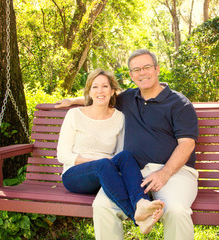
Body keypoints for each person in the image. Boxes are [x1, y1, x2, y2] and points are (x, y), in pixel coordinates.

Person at [56, 49, 199, 240]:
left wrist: (165, 173)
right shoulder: (128, 98)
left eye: (147, 67)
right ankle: (140, 212)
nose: (142, 73)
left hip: (174, 172)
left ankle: (141, 212)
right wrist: (73, 100)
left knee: (176, 210)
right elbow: (100, 98)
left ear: (157, 69)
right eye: (136, 69)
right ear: (131, 75)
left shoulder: (179, 103)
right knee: (102, 207)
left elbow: (187, 144)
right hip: (132, 174)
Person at [56, 68, 165, 235]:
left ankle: (141, 203)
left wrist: (105, 164)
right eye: (95, 87)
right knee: (103, 164)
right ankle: (136, 218)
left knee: (126, 156)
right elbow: (62, 155)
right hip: (75, 175)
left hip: (106, 174)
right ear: (89, 91)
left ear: (112, 90)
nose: (100, 91)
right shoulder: (74, 115)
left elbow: (119, 152)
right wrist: (97, 163)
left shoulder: (119, 118)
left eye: (105, 86)